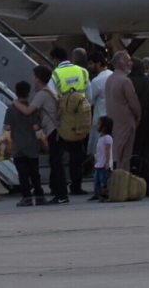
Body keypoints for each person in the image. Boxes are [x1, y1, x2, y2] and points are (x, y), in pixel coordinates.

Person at [13, 65, 63, 204]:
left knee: (56, 164)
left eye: (35, 77)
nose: (34, 79)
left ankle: (61, 194)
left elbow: (28, 110)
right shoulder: (51, 91)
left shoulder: (41, 94)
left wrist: (15, 102)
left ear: (39, 79)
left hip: (53, 131)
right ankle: (60, 193)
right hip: (56, 130)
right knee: (55, 163)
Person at [47, 46, 89, 196]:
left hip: (64, 119)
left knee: (57, 155)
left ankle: (56, 185)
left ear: (56, 59)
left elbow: (51, 96)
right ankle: (76, 186)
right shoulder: (83, 72)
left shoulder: (56, 74)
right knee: (77, 155)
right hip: (79, 117)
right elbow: (88, 93)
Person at [2, 80, 44, 207]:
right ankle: (39, 196)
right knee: (35, 173)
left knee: (23, 174)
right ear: (28, 93)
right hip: (32, 145)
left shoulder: (11, 110)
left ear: (16, 92)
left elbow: (7, 127)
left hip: (18, 146)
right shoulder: (33, 109)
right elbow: (37, 127)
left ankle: (26, 197)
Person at [105, 51, 141, 174]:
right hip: (126, 123)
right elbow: (134, 104)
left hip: (113, 124)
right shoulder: (125, 81)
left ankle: (113, 182)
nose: (131, 63)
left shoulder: (109, 79)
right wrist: (137, 118)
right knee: (125, 158)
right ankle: (123, 185)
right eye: (128, 61)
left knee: (115, 155)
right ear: (120, 64)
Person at [129, 57, 149, 195]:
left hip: (132, 121)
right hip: (148, 122)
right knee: (147, 154)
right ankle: (147, 185)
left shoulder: (128, 80)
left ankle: (132, 182)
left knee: (132, 153)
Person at [87, 50, 111, 159]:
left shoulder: (97, 81)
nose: (89, 66)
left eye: (91, 63)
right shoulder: (112, 75)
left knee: (98, 151)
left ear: (98, 63)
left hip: (99, 118)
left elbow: (89, 101)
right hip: (113, 117)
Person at [91, 116, 114, 202]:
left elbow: (108, 151)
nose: (97, 126)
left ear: (104, 127)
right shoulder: (101, 138)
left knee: (104, 180)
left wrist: (107, 162)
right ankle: (97, 194)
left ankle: (106, 194)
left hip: (104, 163)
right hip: (98, 163)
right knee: (96, 180)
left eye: (98, 124)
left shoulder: (107, 138)